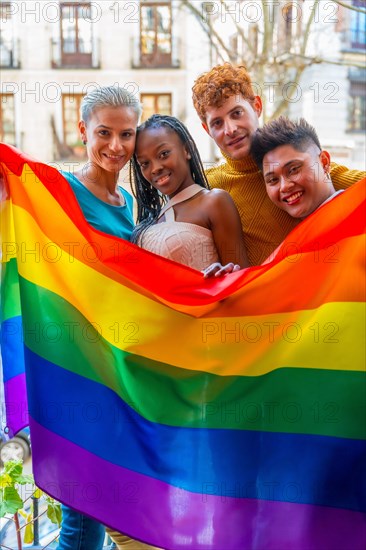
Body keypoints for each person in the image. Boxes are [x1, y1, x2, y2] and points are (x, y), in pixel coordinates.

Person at [58, 86, 156, 550]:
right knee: (82, 518)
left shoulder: (130, 204)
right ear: (83, 132)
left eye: (126, 134)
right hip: (77, 368)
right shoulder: (61, 192)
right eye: (104, 133)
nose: (115, 146)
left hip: (119, 367)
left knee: (100, 512)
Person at [191, 63, 365, 265]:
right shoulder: (206, 186)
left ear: (257, 106)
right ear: (206, 129)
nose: (230, 129)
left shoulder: (304, 165)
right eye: (217, 123)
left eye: (237, 113)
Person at [130, 114, 248, 275]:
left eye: (163, 154)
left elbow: (240, 276)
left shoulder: (214, 202)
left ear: (187, 149)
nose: (155, 168)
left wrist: (224, 275)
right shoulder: (151, 221)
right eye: (144, 163)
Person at [250, 116, 340, 219]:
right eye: (273, 180)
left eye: (293, 170)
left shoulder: (359, 207)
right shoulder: (297, 235)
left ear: (324, 162)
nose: (284, 186)